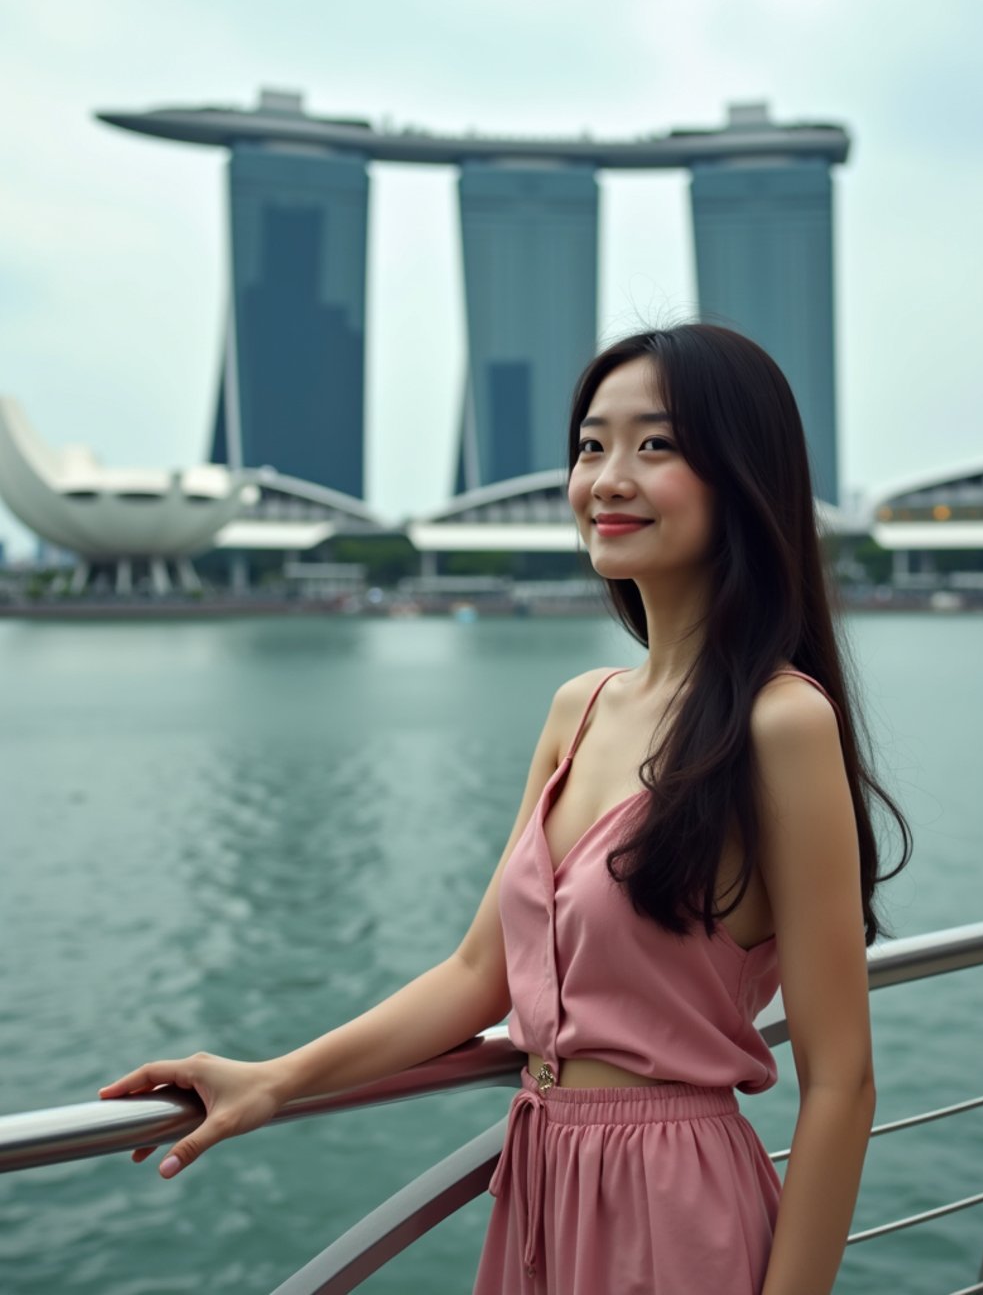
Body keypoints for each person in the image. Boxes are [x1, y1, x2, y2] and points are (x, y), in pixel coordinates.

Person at [100, 323, 910, 1294]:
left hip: (675, 1200)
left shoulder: (781, 723)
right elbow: (481, 972)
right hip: (540, 1181)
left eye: (654, 445)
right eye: (588, 446)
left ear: (741, 475)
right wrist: (273, 1078)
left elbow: (839, 1081)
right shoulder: (581, 707)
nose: (607, 478)